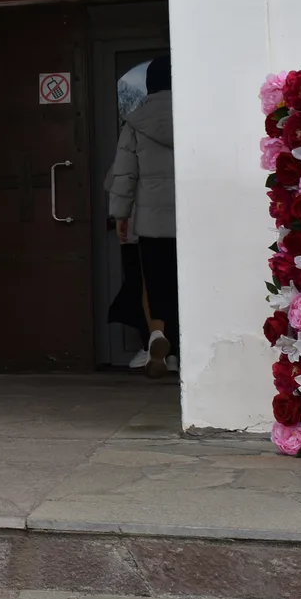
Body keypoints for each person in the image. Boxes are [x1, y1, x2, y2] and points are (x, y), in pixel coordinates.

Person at [106, 54, 177, 378]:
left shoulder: (136, 120)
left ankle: (157, 337)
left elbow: (124, 174)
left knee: (156, 283)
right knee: (187, 283)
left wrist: (120, 215)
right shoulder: (194, 115)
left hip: (151, 221)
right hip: (191, 219)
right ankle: (183, 348)